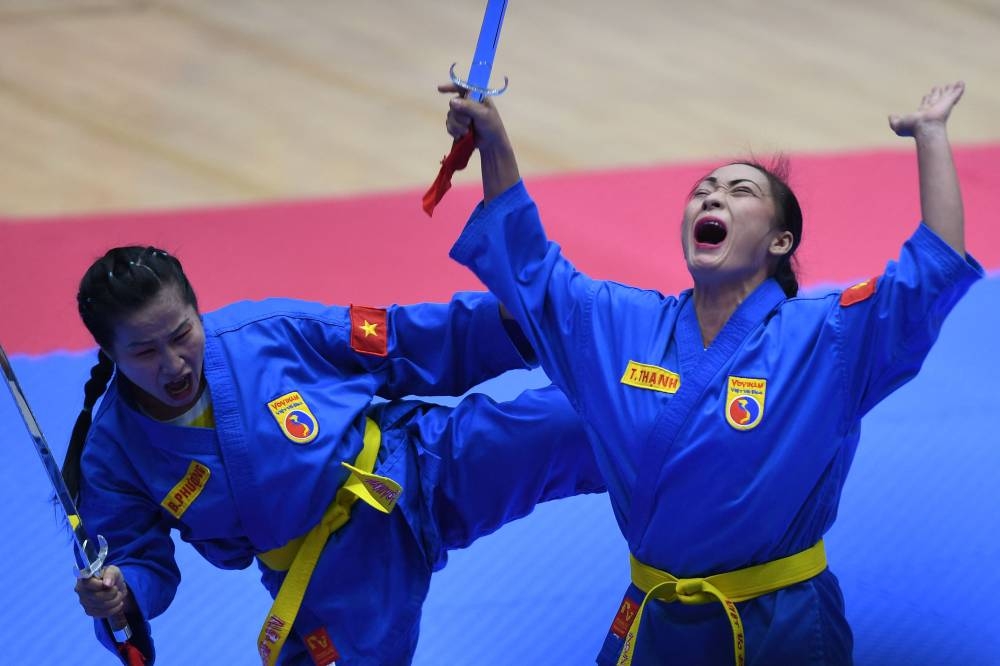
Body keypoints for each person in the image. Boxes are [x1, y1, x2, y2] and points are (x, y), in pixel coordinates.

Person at [442, 81, 981, 665]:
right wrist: (494, 142)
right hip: (654, 622)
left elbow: (931, 271)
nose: (712, 198)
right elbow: (529, 267)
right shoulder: (621, 325)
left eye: (738, 191)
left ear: (781, 240)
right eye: (703, 191)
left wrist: (931, 136)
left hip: (784, 628)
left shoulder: (827, 340)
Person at [67, 246, 606, 665]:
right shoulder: (112, 455)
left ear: (196, 312)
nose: (174, 364)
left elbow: (396, 340)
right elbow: (138, 561)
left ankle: (682, 413)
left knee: (577, 423)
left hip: (415, 466)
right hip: (332, 583)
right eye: (143, 351)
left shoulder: (268, 334)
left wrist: (511, 323)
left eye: (183, 334)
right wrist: (121, 593)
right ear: (110, 353)